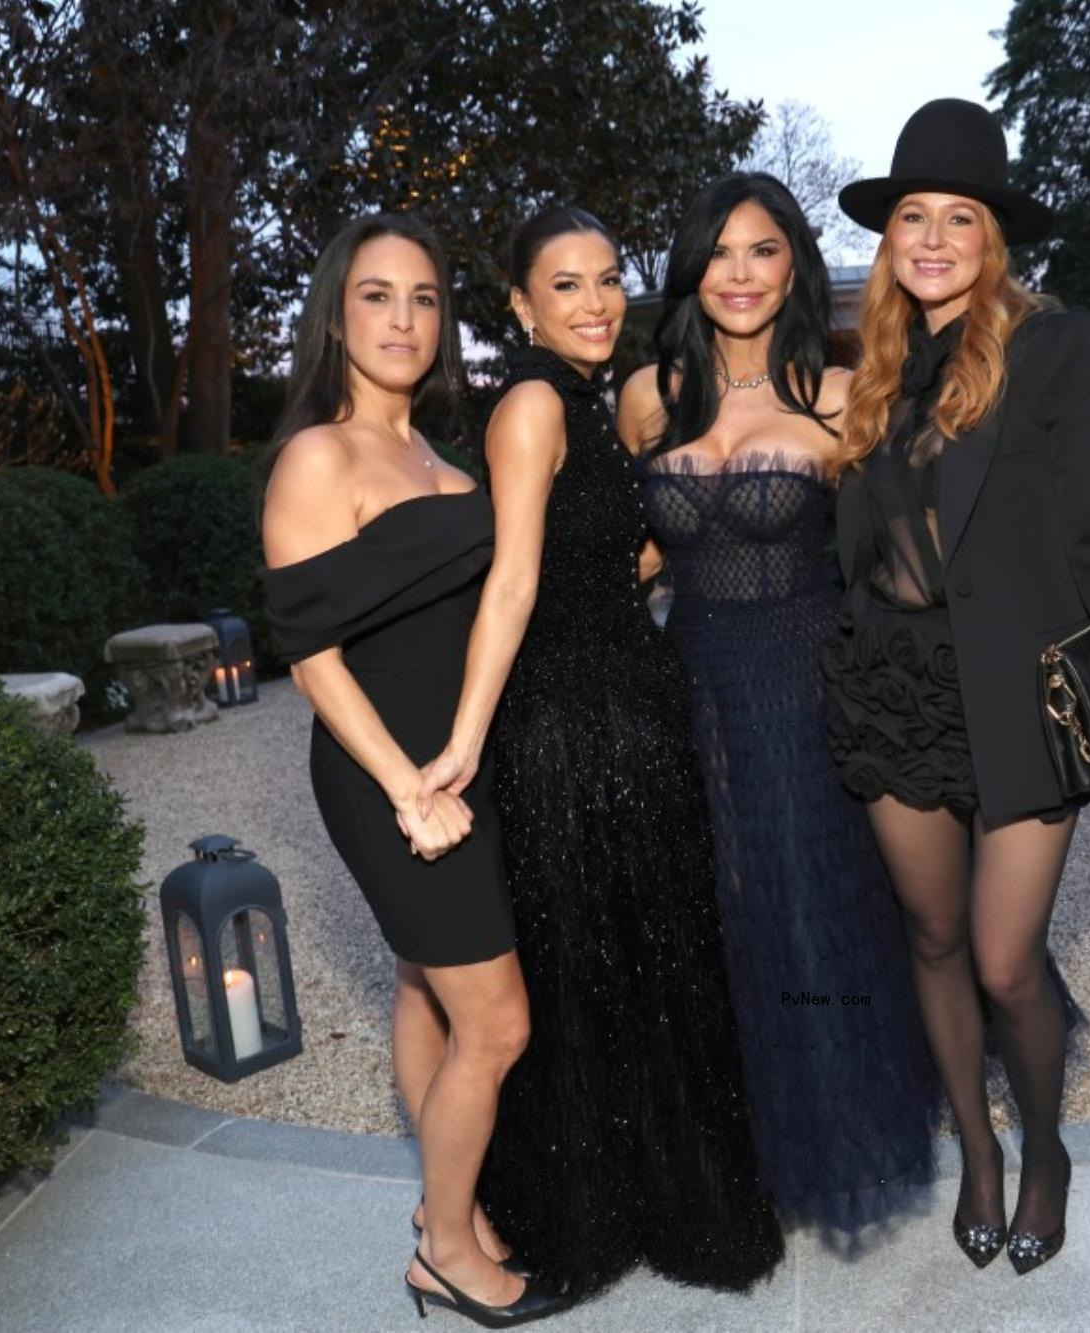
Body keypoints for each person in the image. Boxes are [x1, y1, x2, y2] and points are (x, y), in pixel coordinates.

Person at [821, 101, 1090, 1276]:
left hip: (1020, 694)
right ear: (889, 241)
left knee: (1001, 960)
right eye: (912, 219)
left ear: (994, 239)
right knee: (930, 940)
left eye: (960, 219)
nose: (931, 239)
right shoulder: (871, 374)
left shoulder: (1051, 344)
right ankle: (976, 1156)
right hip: (895, 687)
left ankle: (1046, 1149)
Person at [415, 205, 784, 1301]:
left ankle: (655, 1197)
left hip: (632, 698)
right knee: (590, 964)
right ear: (522, 307)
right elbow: (515, 582)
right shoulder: (532, 402)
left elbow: (625, 547)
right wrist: (465, 746)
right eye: (565, 284)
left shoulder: (590, 400)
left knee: (650, 955)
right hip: (567, 724)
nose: (596, 300)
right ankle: (589, 1209)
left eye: (608, 277)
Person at [257, 215, 570, 1327]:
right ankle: (444, 1246)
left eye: (425, 297)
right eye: (379, 295)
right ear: (337, 314)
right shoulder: (318, 454)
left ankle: (457, 1205)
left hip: (457, 758)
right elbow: (309, 657)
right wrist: (409, 790)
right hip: (386, 772)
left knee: (419, 984)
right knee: (498, 1023)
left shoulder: (436, 455)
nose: (403, 319)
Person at [617, 172, 938, 1244]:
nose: (741, 274)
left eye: (762, 250)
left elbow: (900, 566)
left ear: (793, 263)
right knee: (720, 914)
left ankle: (842, 1127)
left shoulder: (836, 393)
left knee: (819, 905)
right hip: (690, 683)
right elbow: (637, 553)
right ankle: (744, 1143)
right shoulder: (646, 397)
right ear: (691, 269)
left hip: (808, 683)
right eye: (720, 252)